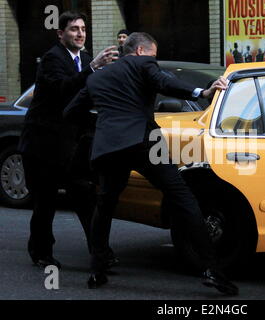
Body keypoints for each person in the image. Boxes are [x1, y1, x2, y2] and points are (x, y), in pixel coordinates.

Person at [64, 32, 239, 295]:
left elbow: (70, 113)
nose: (153, 60)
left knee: (106, 203)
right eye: (153, 55)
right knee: (182, 197)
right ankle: (212, 269)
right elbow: (164, 82)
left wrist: (105, 126)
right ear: (139, 51)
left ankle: (97, 267)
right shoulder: (143, 63)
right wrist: (201, 91)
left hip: (109, 148)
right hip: (145, 142)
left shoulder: (96, 76)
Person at [18, 11, 119, 269]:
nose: (80, 33)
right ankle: (40, 252)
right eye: (74, 29)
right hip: (43, 144)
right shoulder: (53, 59)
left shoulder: (84, 58)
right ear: (61, 34)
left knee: (86, 198)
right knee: (45, 202)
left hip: (72, 145)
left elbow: (85, 98)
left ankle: (100, 253)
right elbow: (64, 89)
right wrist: (93, 68)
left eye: (83, 29)